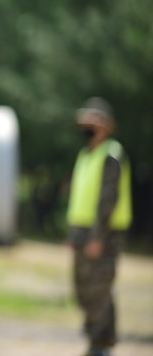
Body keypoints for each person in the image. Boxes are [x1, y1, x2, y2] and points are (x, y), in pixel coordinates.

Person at [66, 97, 132, 356]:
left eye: (91, 119)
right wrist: (73, 234)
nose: (85, 124)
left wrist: (97, 237)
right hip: (82, 232)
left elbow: (107, 200)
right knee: (83, 288)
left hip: (103, 234)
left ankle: (102, 345)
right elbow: (81, 198)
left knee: (100, 288)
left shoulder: (111, 155)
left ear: (106, 125)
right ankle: (95, 341)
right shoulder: (86, 154)